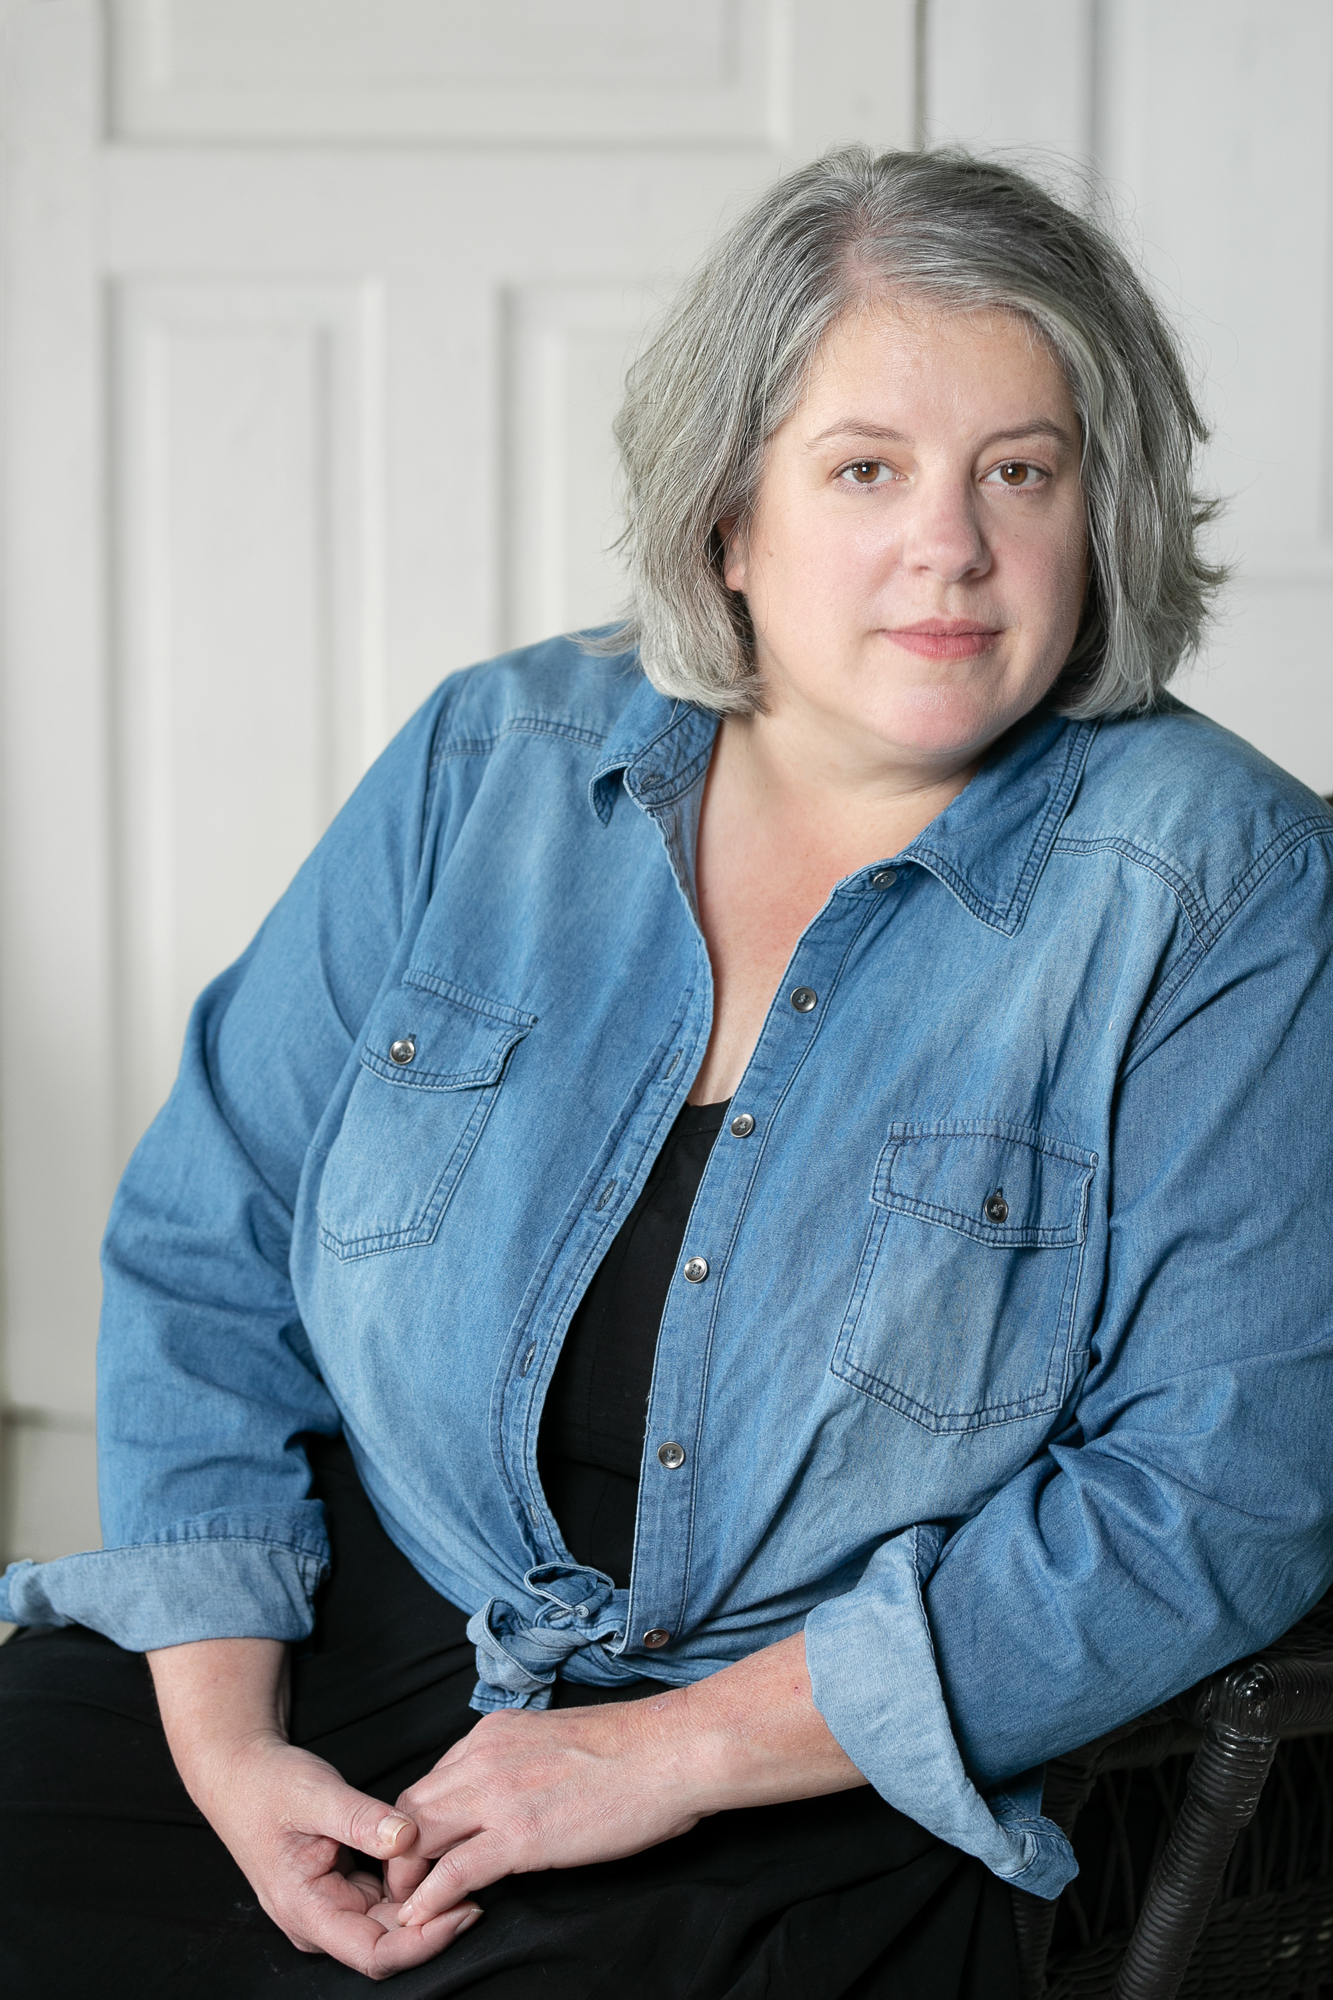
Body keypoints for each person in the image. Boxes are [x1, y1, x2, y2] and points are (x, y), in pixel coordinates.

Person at [2, 145, 1332, 1998]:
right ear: (728, 521)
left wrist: (652, 1759)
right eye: (864, 469)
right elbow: (204, 1251)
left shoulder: (1222, 888)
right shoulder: (497, 758)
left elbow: (1223, 1492)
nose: (946, 545)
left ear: (1095, 518)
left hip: (816, 1765)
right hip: (367, 1637)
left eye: (1018, 473)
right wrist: (230, 1745)